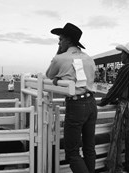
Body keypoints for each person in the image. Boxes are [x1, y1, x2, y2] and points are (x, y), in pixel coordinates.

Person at [45, 23, 97, 173]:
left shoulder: (60, 58)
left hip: (76, 105)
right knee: (89, 148)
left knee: (72, 152)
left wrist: (59, 53)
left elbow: (49, 74)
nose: (59, 42)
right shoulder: (89, 59)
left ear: (68, 41)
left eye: (60, 39)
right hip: (91, 103)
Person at [98, 43, 129, 173]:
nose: (120, 55)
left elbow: (116, 88)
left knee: (117, 137)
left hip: (126, 106)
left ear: (127, 56)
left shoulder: (127, 69)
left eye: (122, 53)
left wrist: (104, 101)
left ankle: (117, 167)